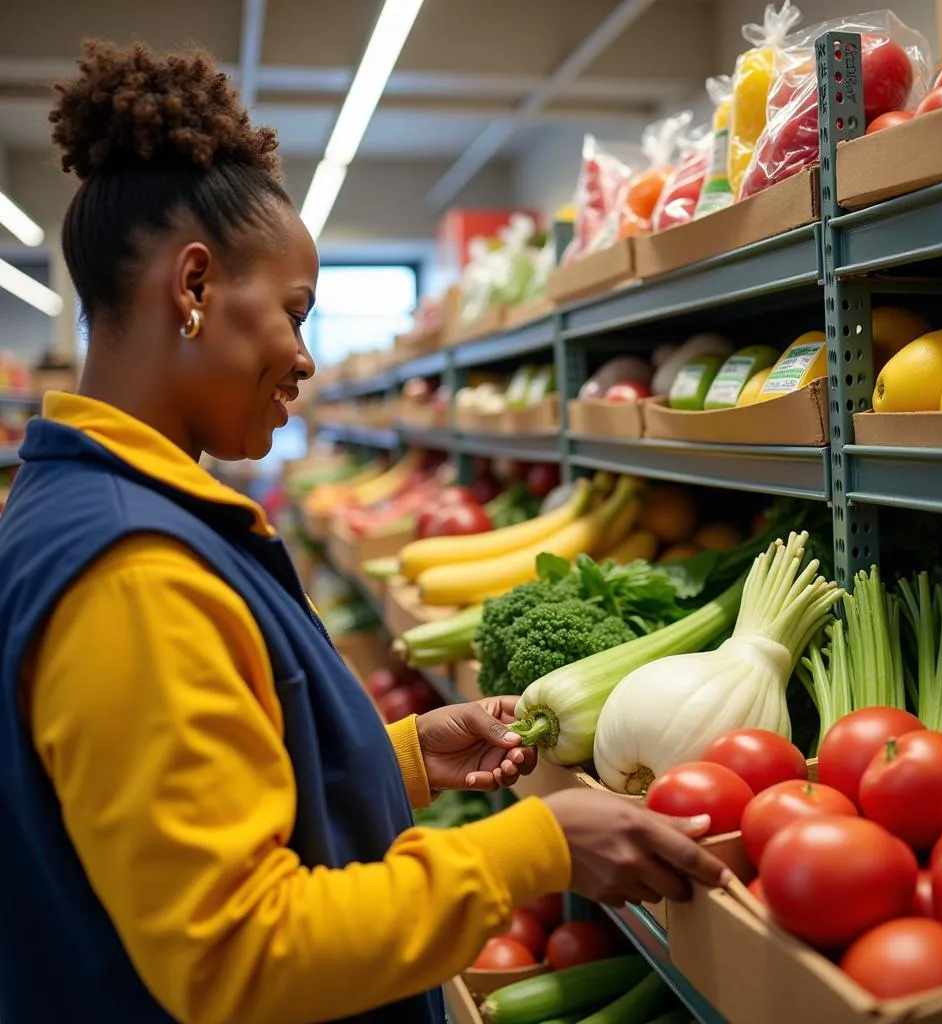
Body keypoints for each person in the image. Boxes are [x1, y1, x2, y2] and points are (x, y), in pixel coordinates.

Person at [0, 40, 730, 1024]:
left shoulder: (99, 509)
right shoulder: (131, 569)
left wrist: (401, 754)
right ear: (194, 285)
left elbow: (210, 797)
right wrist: (535, 845)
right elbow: (238, 953)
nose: (304, 358)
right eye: (295, 313)